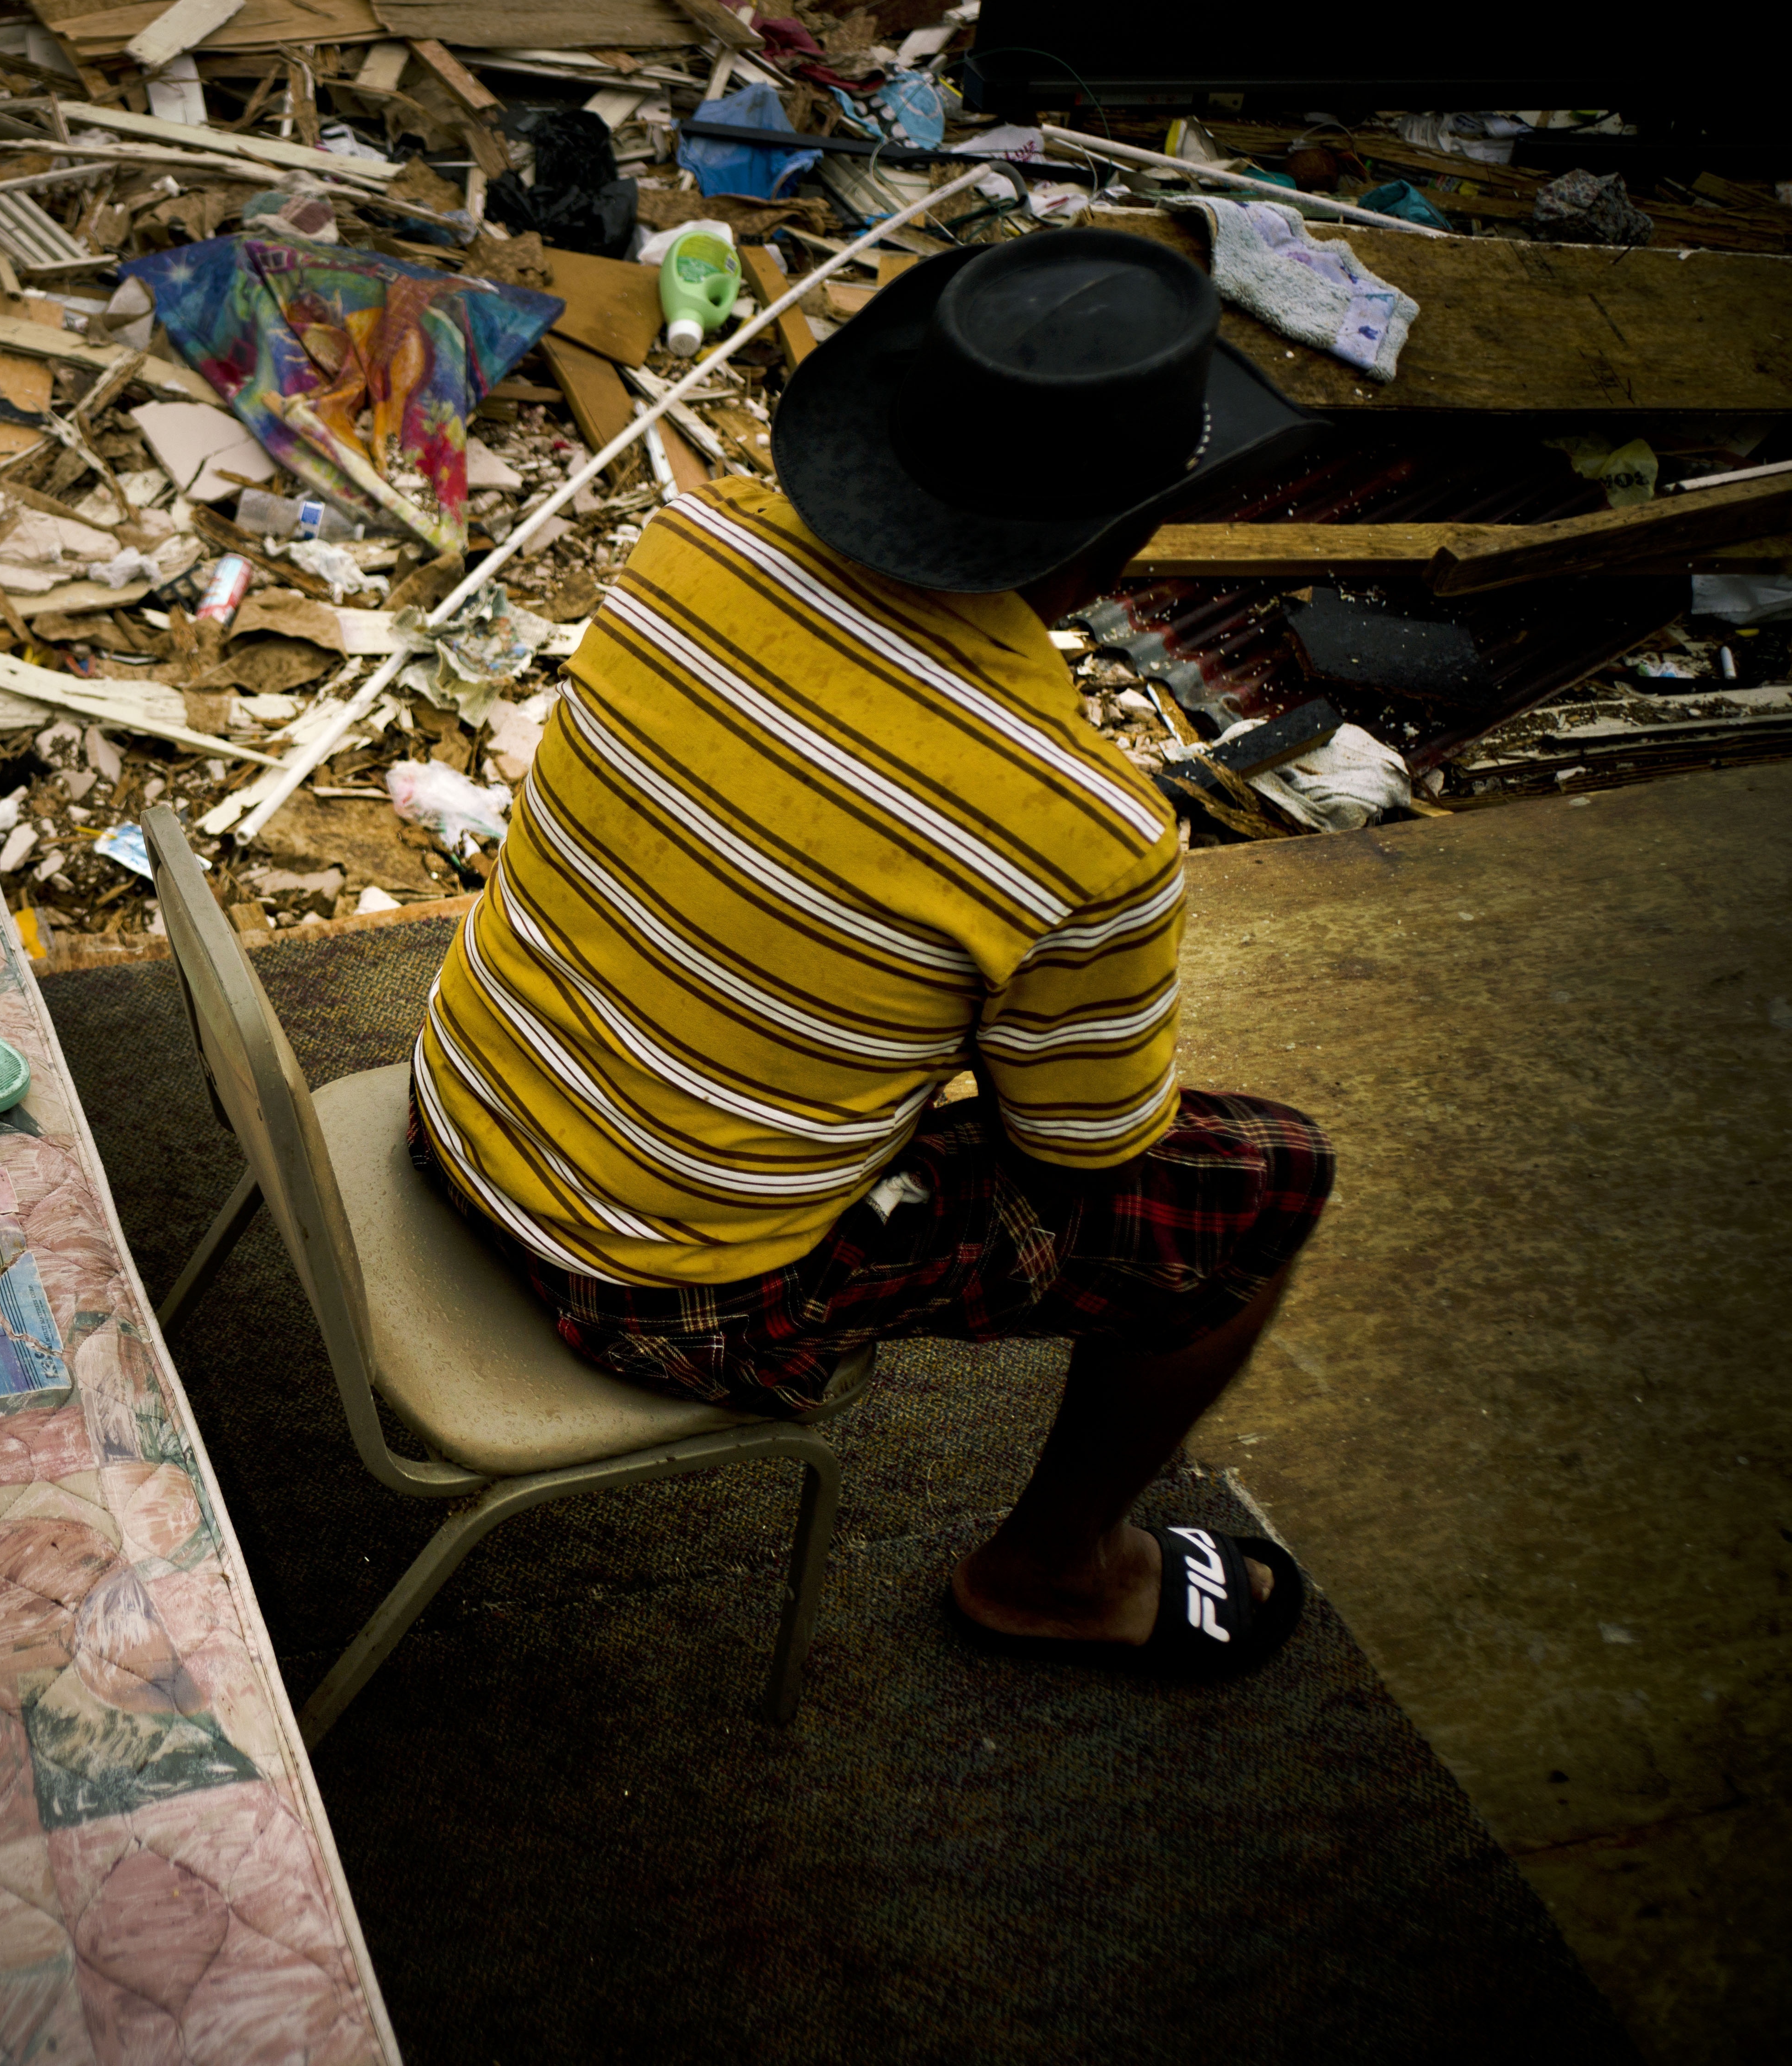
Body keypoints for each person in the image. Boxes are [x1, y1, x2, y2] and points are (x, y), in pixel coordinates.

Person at [410, 228, 1335, 1678]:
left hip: (457, 1106)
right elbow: (1088, 1155)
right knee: (1257, 1185)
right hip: (661, 1292)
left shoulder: (694, 537)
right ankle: (1054, 1574)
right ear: (1120, 549)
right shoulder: (1085, 828)